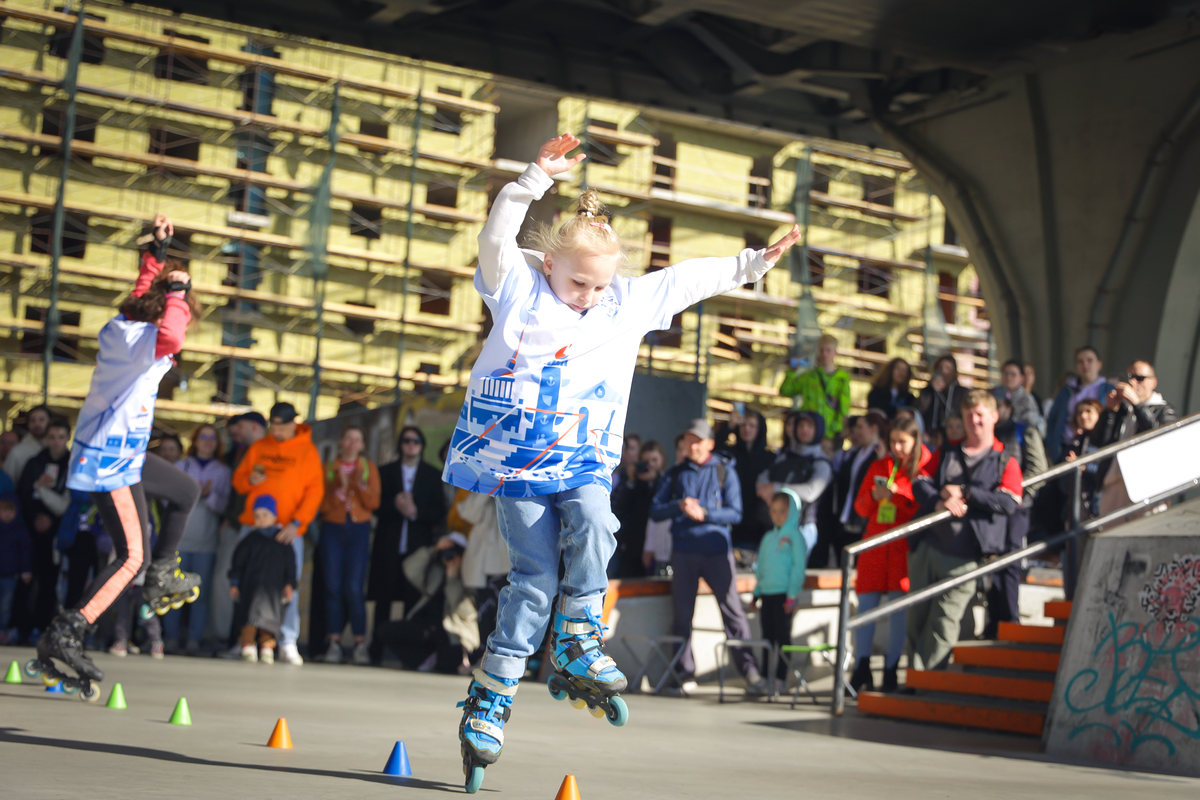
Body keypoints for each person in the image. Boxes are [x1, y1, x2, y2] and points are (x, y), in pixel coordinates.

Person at [442, 133, 801, 788]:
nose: (588, 294)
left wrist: (752, 263)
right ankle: (493, 693)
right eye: (578, 281)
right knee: (530, 582)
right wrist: (529, 182)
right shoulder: (518, 289)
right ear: (549, 263)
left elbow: (689, 279)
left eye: (600, 284)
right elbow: (495, 237)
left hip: (580, 458)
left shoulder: (622, 303)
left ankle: (579, 634)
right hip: (517, 464)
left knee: (597, 521)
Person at [33, 213, 203, 690]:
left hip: (120, 452)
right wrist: (179, 292)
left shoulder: (124, 325)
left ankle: (162, 574)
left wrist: (159, 256)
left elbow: (140, 294)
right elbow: (171, 333)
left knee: (185, 491)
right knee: (131, 556)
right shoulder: (140, 341)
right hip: (111, 461)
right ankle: (71, 630)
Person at [909, 390, 1022, 671]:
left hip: (967, 555)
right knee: (916, 615)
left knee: (944, 619)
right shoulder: (947, 451)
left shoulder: (1005, 459)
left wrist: (967, 492)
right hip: (928, 547)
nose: (974, 421)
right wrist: (938, 500)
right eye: (968, 415)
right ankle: (912, 677)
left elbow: (1009, 502)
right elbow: (920, 480)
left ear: (993, 417)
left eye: (980, 414)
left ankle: (927, 682)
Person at [651, 419, 764, 695]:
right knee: (682, 616)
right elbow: (655, 510)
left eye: (698, 440)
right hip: (684, 551)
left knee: (733, 612)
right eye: (689, 440)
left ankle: (750, 672)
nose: (693, 446)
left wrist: (706, 513)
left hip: (717, 551)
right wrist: (679, 506)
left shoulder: (725, 471)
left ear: (710, 444)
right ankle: (685, 674)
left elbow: (735, 513)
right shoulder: (675, 473)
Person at [231, 401, 324, 666]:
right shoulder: (260, 447)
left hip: (286, 531)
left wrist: (297, 523)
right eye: (273, 426)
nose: (277, 432)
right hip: (254, 528)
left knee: (286, 588)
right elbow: (238, 481)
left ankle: (286, 640)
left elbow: (314, 492)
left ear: (294, 423)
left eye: (281, 427)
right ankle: (242, 640)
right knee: (245, 584)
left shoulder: (307, 452)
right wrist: (249, 481)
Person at [851, 416, 930, 692]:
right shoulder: (878, 466)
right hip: (874, 546)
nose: (897, 447)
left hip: (901, 549)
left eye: (903, 442)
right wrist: (874, 497)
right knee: (865, 610)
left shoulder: (923, 471)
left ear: (915, 441)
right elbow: (859, 507)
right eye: (893, 441)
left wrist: (896, 495)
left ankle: (891, 669)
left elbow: (920, 510)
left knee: (898, 613)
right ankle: (861, 667)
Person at [369, 426, 447, 664]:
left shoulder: (432, 475)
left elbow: (439, 511)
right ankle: (376, 653)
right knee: (383, 600)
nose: (411, 445)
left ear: (422, 445)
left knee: (413, 601)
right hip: (388, 546)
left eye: (416, 441)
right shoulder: (385, 472)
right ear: (400, 444)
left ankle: (407, 655)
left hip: (417, 549)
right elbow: (374, 505)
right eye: (406, 441)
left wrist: (415, 512)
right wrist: (394, 504)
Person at [163, 423, 231, 655]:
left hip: (206, 542)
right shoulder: (182, 466)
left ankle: (194, 638)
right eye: (203, 437)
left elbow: (224, 505)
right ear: (195, 440)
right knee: (174, 591)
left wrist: (209, 496)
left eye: (213, 438)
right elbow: (166, 499)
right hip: (179, 541)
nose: (208, 442)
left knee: (199, 594)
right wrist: (193, 496)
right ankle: (170, 638)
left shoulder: (222, 471)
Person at [318, 425, 381, 665]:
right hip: (333, 528)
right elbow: (321, 504)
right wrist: (338, 490)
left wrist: (355, 484)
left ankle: (359, 643)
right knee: (332, 586)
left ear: (362, 445)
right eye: (349, 439)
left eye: (357, 440)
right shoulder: (329, 468)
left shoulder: (368, 469)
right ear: (341, 442)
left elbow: (374, 502)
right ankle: (333, 642)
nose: (353, 444)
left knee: (354, 588)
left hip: (359, 530)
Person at [373, 532, 479, 674]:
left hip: (452, 634)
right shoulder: (436, 571)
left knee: (448, 664)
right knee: (384, 630)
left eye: (455, 553)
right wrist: (433, 549)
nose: (450, 557)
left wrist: (452, 579)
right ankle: (423, 660)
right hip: (426, 628)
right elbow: (409, 568)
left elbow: (464, 611)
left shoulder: (470, 578)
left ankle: (432, 660)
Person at [986, 397, 1048, 637]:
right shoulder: (987, 434)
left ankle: (1010, 620)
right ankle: (994, 621)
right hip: (991, 506)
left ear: (1008, 408)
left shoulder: (1023, 431)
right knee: (993, 561)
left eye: (998, 405)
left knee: (1010, 561)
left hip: (1018, 507)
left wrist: (1019, 494)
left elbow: (1038, 469)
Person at [213, 410, 266, 651]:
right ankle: (230, 635)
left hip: (259, 526)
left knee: (251, 583)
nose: (236, 433)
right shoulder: (239, 453)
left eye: (240, 427)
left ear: (254, 427)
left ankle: (257, 639)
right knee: (228, 581)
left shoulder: (267, 451)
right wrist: (229, 518)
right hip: (237, 524)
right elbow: (238, 488)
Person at [16, 417, 72, 638]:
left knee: (51, 584)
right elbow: (23, 495)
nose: (56, 442)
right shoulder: (34, 462)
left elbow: (69, 504)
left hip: (58, 534)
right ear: (46, 439)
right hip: (32, 533)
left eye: (61, 437)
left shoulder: (73, 465)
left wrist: (51, 521)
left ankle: (43, 627)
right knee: (27, 580)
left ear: (68, 438)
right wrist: (36, 517)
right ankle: (21, 628)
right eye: (52, 437)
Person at [229, 495, 297, 664]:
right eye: (257, 516)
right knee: (248, 618)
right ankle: (247, 646)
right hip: (250, 588)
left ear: (274, 517)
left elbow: (291, 566)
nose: (260, 519)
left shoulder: (283, 542)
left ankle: (267, 647)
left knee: (270, 622)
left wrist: (290, 584)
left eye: (265, 515)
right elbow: (237, 563)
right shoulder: (249, 540)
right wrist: (235, 583)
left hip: (273, 591)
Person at [755, 411, 832, 561]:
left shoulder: (821, 463)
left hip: (802, 526)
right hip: (775, 525)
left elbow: (811, 492)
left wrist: (776, 488)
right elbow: (762, 480)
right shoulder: (785, 456)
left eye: (810, 426)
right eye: (801, 425)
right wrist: (766, 491)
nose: (804, 430)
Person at [753, 489, 807, 695]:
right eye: (773, 511)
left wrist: (792, 594)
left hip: (784, 596)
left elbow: (798, 567)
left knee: (783, 637)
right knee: (767, 637)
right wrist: (757, 592)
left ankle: (781, 678)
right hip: (767, 594)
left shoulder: (795, 537)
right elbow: (762, 567)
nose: (777, 515)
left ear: (792, 511)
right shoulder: (768, 537)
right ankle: (765, 676)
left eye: (782, 511)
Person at [829, 412, 889, 568]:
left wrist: (882, 461)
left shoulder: (880, 454)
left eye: (861, 427)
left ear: (873, 428)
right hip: (846, 516)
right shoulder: (856, 453)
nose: (857, 431)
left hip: (862, 520)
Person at [458, 491, 511, 665]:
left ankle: (499, 660)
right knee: (480, 613)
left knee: (503, 615)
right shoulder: (482, 488)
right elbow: (466, 513)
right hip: (481, 563)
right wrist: (487, 488)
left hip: (506, 563)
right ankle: (478, 656)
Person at [714, 409, 774, 550]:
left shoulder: (770, 458)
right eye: (743, 425)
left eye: (752, 425)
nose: (747, 429)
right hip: (733, 520)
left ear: (760, 429)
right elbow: (714, 449)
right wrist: (729, 427)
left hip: (759, 523)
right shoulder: (731, 454)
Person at [1045, 346, 1116, 464]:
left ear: (1099, 364)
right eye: (1080, 361)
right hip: (1065, 448)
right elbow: (1053, 418)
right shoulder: (1066, 390)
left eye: (1090, 360)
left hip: (1095, 449)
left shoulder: (1109, 390)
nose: (1085, 365)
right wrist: (1052, 445)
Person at [780, 334, 851, 445]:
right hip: (807, 432)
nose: (824, 354)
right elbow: (785, 390)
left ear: (835, 352)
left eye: (828, 350)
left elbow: (844, 409)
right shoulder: (808, 376)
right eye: (821, 350)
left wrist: (837, 432)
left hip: (828, 434)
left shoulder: (842, 379)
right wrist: (791, 371)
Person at [611, 440, 668, 577]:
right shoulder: (633, 483)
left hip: (658, 548)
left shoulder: (666, 482)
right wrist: (632, 481)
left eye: (655, 460)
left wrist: (656, 480)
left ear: (662, 460)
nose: (651, 465)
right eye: (646, 461)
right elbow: (621, 508)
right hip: (633, 547)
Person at [0, 491, 31, 645]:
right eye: (3, 510)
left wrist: (25, 570)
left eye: (10, 511)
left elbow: (24, 553)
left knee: (6, 605)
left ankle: (3, 630)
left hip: (10, 575)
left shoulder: (19, 530)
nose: (6, 514)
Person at [916, 355, 968, 435]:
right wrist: (930, 389)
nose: (943, 371)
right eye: (940, 368)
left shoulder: (961, 392)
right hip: (929, 434)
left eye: (948, 368)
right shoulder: (927, 391)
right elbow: (919, 410)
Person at [3, 405, 51, 484]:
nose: (37, 424)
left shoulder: (57, 450)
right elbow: (7, 485)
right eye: (33, 420)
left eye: (41, 420)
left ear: (49, 421)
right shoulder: (17, 452)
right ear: (28, 424)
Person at [993, 359, 1042, 430]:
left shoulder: (1026, 398)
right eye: (1005, 374)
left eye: (1013, 375)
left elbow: (1031, 422)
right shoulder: (993, 394)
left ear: (1021, 378)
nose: (1008, 378)